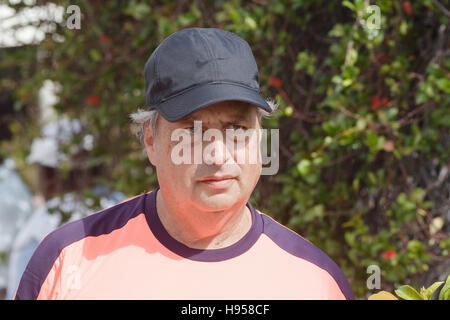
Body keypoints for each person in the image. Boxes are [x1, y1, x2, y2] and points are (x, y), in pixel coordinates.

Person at [14, 27, 354, 300]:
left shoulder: (315, 281)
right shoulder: (67, 261)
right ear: (150, 139)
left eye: (236, 129)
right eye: (192, 131)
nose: (218, 154)